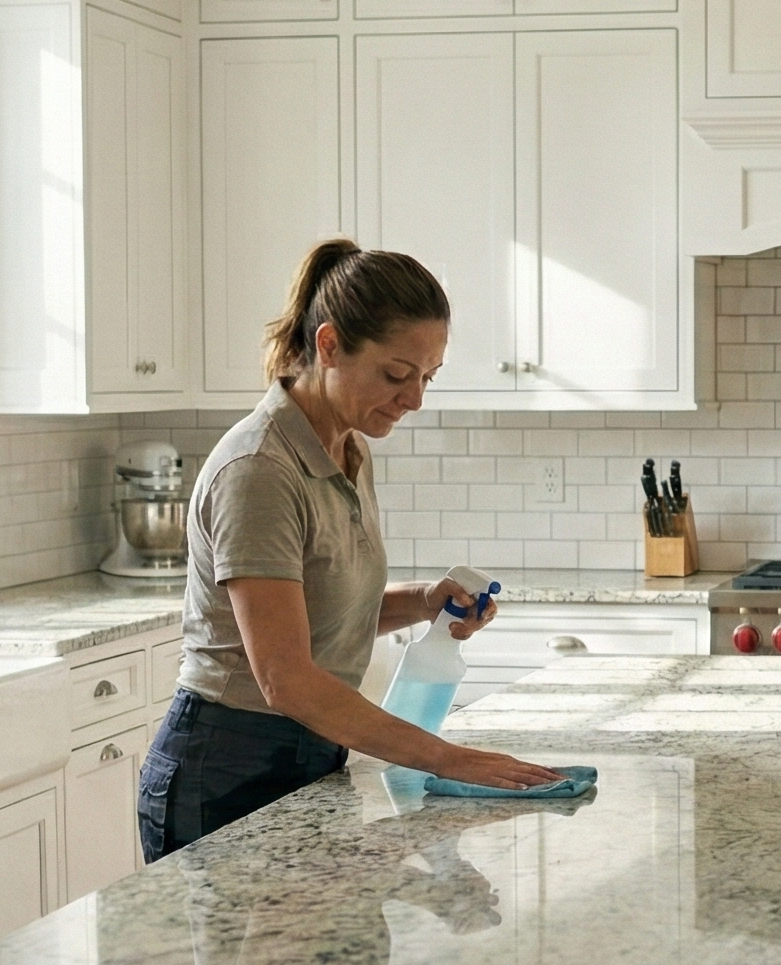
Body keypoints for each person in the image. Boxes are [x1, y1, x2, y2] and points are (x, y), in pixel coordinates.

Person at [138, 240, 564, 862]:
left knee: (341, 956)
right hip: (226, 768)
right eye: (397, 374)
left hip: (307, 752)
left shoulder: (347, 447)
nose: (414, 398)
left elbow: (320, 611)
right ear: (330, 345)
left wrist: (423, 602)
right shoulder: (259, 469)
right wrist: (449, 758)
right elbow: (285, 677)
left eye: (427, 377)